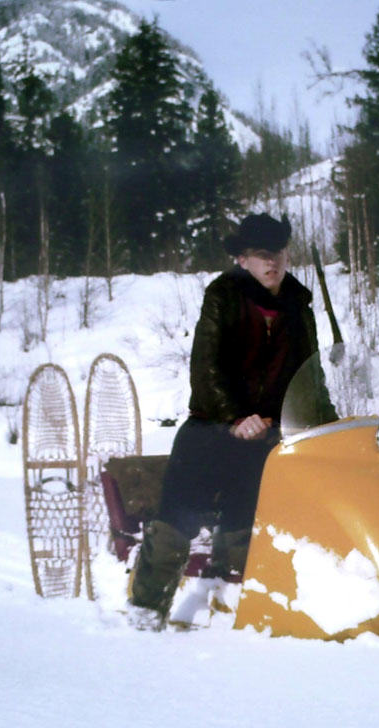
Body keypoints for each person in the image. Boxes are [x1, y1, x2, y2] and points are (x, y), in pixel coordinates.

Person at [128, 212, 326, 628]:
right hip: (211, 429)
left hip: (266, 438)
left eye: (279, 253)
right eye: (260, 255)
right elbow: (206, 368)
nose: (272, 263)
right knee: (177, 524)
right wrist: (235, 416)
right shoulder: (223, 296)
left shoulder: (297, 302)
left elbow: (311, 373)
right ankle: (144, 614)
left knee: (247, 531)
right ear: (242, 259)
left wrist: (327, 421)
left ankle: (237, 614)